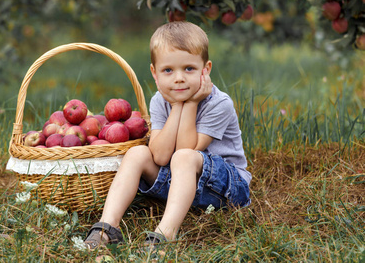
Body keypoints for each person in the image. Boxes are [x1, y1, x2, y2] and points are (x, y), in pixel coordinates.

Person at [84, 21, 251, 249]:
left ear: (206, 69)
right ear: (154, 73)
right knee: (138, 153)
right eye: (168, 70)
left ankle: (166, 234)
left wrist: (190, 103)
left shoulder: (219, 104)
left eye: (189, 69)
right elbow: (161, 157)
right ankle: (107, 227)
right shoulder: (159, 101)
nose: (179, 78)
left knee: (183, 157)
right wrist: (177, 106)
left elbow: (186, 150)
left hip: (226, 189)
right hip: (180, 182)